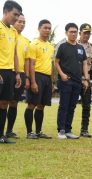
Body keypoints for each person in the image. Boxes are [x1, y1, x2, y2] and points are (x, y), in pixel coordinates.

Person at [55, 23, 88, 139]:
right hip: (65, 80)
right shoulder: (62, 46)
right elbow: (56, 62)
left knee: (72, 106)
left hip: (77, 81)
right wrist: (62, 74)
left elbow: (84, 63)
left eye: (75, 31)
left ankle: (68, 130)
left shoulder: (80, 48)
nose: (73, 34)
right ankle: (61, 130)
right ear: (66, 33)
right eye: (71, 32)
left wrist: (85, 78)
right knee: (64, 105)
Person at [24, 19, 54, 139]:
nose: (47, 30)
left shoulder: (51, 46)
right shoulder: (33, 44)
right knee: (32, 104)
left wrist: (51, 81)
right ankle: (29, 132)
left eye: (49, 28)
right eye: (45, 28)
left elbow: (50, 64)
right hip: (37, 76)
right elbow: (31, 64)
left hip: (47, 78)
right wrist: (33, 81)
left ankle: (38, 131)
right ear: (39, 28)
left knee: (42, 105)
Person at [0, 0, 22, 144]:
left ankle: (1, 135)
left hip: (9, 72)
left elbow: (14, 53)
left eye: (18, 15)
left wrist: (17, 73)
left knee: (4, 103)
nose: (16, 18)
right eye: (14, 14)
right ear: (5, 11)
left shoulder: (13, 31)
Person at [5, 13, 30, 139]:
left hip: (20, 75)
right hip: (7, 71)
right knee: (3, 101)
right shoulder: (8, 33)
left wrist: (27, 78)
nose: (22, 24)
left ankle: (9, 130)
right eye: (20, 21)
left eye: (24, 22)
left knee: (14, 103)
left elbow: (26, 61)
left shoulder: (26, 41)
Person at [78, 23, 92, 138]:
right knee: (69, 105)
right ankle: (66, 129)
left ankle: (84, 130)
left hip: (87, 80)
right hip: (75, 79)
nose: (86, 35)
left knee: (87, 106)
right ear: (79, 33)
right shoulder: (73, 44)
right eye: (84, 33)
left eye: (88, 33)